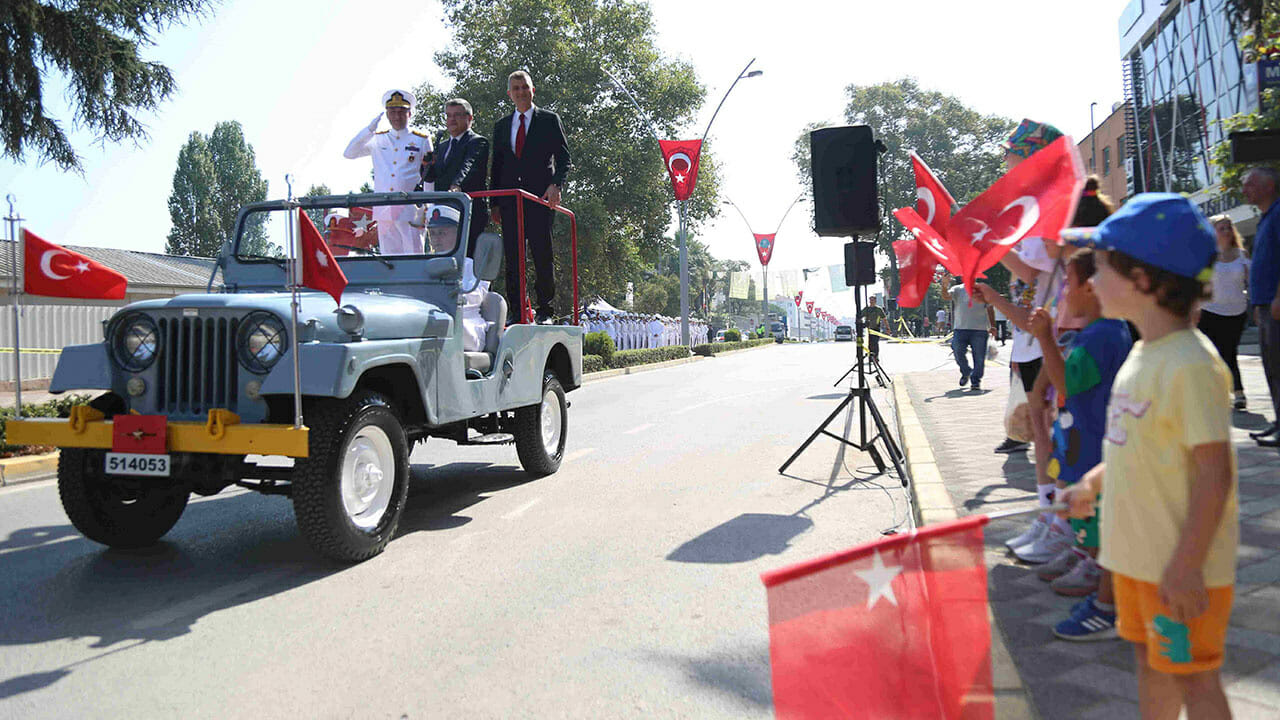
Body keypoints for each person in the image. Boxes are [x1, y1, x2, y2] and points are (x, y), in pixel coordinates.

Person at [1060, 194, 1237, 718]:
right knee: (1150, 661)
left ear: (1142, 279)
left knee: (1195, 678)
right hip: (1136, 561)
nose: (1090, 282)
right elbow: (1131, 448)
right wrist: (1091, 483)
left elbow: (1215, 475)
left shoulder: (1191, 365)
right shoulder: (1143, 354)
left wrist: (1185, 566)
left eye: (1101, 267)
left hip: (1178, 568)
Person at [1023, 249, 1132, 638]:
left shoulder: (1104, 335)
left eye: (1069, 282)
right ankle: (1085, 555)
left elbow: (1066, 382)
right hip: (1078, 439)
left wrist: (1044, 338)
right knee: (1081, 509)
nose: (1065, 290)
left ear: (1090, 287)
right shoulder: (1097, 332)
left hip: (1092, 446)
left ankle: (1099, 575)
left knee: (1094, 515)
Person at [490, 70, 572, 324]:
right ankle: (517, 311)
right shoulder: (502, 126)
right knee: (513, 259)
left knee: (541, 254)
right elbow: (497, 166)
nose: (521, 92)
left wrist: (555, 185)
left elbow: (564, 158)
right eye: (516, 88)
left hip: (538, 199)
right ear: (509, 94)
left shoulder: (548, 119)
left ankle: (546, 310)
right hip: (510, 201)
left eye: (525, 87)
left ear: (532, 90)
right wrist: (493, 202)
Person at [343, 89, 433, 255]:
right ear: (387, 114)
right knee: (390, 261)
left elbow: (429, 175)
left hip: (411, 210)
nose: (397, 116)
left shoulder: (421, 139)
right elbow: (349, 153)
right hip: (384, 210)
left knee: (414, 257)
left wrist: (429, 208)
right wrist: (368, 130)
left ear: (410, 113)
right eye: (392, 112)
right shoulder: (378, 138)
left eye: (401, 112)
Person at [423, 98, 491, 257]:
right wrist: (425, 166)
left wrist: (456, 185)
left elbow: (469, 165)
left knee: (468, 259)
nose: (452, 120)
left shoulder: (477, 142)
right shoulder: (442, 146)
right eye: (448, 116)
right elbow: (432, 177)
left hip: (469, 211)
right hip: (444, 212)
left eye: (457, 115)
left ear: (470, 118)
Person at [1242, 167, 1280, 445]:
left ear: (1269, 186)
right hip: (1265, 305)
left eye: (1250, 184)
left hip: (1275, 304)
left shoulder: (1278, 214)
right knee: (1272, 367)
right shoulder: (1267, 218)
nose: (1245, 189)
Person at [1197, 214, 1250, 411]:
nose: (1226, 231)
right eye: (1222, 228)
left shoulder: (1242, 255)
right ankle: (1237, 392)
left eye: (1228, 227)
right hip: (1210, 311)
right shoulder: (1207, 257)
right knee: (1216, 353)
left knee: (1229, 351)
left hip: (1236, 312)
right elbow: (1199, 284)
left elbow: (1251, 280)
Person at [940, 277, 996, 390]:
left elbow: (990, 308)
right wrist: (944, 286)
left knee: (979, 357)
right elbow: (946, 296)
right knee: (957, 351)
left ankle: (975, 381)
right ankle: (966, 372)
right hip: (960, 329)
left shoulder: (982, 290)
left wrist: (993, 326)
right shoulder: (957, 289)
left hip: (980, 329)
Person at [860, 295, 886, 360]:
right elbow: (860, 315)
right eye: (870, 300)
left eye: (873, 300)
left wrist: (888, 328)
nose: (871, 301)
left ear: (875, 301)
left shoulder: (878, 309)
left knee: (875, 343)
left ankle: (876, 356)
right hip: (869, 328)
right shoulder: (867, 309)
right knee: (870, 343)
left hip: (876, 328)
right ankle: (870, 356)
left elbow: (884, 318)